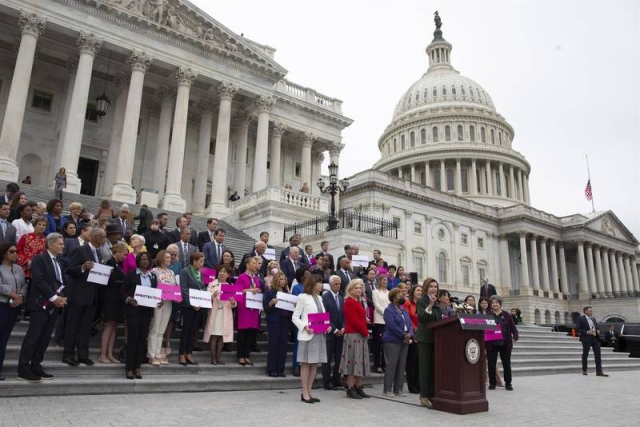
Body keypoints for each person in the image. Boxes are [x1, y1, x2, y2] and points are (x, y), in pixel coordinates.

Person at [17, 233, 67, 383]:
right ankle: (23, 370)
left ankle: (36, 365)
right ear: (50, 244)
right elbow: (39, 280)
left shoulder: (58, 262)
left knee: (45, 338)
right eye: (60, 243)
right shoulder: (40, 259)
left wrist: (61, 297)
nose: (63, 246)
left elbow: (59, 283)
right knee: (33, 338)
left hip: (54, 306)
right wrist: (53, 297)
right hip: (40, 304)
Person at [63, 227, 107, 366]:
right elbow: (70, 269)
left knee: (85, 327)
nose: (104, 239)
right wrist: (82, 267)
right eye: (102, 236)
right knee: (73, 325)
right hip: (78, 294)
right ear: (94, 236)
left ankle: (83, 355)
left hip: (92, 296)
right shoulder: (80, 250)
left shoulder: (98, 254)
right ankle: (68, 355)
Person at [121, 252, 159, 379]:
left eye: (147, 259)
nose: (145, 261)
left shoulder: (153, 276)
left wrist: (159, 301)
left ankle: (138, 367)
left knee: (142, 340)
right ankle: (129, 368)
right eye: (143, 259)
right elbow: (122, 290)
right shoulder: (132, 274)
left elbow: (155, 293)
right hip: (133, 311)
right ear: (138, 261)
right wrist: (128, 299)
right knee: (132, 339)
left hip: (146, 312)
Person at [292, 274, 328, 403]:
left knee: (314, 363)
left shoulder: (320, 298)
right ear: (313, 283)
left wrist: (327, 326)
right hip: (307, 334)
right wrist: (304, 326)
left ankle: (310, 390)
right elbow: (295, 317)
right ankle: (304, 392)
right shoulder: (303, 297)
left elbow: (322, 316)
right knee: (306, 363)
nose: (322, 285)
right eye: (320, 282)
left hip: (319, 334)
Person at [0, 243, 28, 380]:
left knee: (4, 338)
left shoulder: (18, 268)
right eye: (12, 251)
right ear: (4, 253)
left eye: (16, 251)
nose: (15, 253)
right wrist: (12, 294)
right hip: (2, 305)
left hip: (14, 306)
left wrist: (21, 296)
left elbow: (23, 285)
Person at [340, 279, 371, 399]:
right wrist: (365, 331)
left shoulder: (358, 301)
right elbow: (353, 320)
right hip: (353, 335)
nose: (359, 290)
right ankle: (350, 387)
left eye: (360, 288)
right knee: (352, 362)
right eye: (356, 288)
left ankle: (359, 387)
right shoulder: (349, 301)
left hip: (360, 335)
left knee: (360, 362)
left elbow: (359, 318)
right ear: (350, 290)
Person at [97, 242, 126, 364]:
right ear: (118, 252)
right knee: (109, 326)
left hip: (117, 299)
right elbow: (108, 281)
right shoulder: (109, 263)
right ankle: (103, 354)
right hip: (110, 299)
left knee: (114, 327)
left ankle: (109, 353)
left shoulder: (118, 264)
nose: (124, 256)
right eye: (123, 254)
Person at [147, 250, 177, 366]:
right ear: (161, 258)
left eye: (170, 257)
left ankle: (158, 353)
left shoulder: (172, 272)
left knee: (161, 330)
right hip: (158, 302)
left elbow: (174, 287)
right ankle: (151, 354)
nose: (170, 259)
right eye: (167, 257)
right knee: (154, 328)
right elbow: (152, 286)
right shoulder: (154, 271)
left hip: (168, 302)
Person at [382, 288, 413, 397]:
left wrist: (410, 333)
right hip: (392, 340)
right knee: (391, 365)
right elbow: (391, 325)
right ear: (394, 297)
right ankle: (387, 389)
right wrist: (403, 334)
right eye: (400, 295)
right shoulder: (388, 310)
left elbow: (409, 324)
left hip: (404, 340)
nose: (403, 297)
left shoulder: (404, 310)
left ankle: (398, 389)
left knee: (401, 365)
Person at [203, 265, 237, 365]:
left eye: (224, 272)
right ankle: (213, 358)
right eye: (220, 271)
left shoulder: (230, 287)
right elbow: (206, 297)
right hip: (215, 312)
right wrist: (212, 295)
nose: (222, 273)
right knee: (214, 335)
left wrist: (232, 301)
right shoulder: (212, 284)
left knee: (222, 336)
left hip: (225, 313)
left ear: (228, 275)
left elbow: (235, 304)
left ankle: (218, 357)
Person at [416, 277, 441, 408]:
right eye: (431, 286)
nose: (433, 289)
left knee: (433, 368)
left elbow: (439, 319)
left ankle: (432, 394)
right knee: (424, 368)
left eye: (435, 287)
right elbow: (423, 317)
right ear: (426, 287)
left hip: (435, 338)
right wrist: (430, 305)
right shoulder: (422, 301)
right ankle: (424, 395)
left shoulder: (437, 302)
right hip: (424, 338)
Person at [178, 252, 207, 366]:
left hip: (199, 306)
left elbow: (203, 287)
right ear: (194, 261)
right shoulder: (185, 271)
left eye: (203, 261)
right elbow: (183, 289)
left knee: (193, 330)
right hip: (188, 306)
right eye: (200, 261)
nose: (202, 263)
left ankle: (189, 353)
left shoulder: (200, 273)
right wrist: (191, 303)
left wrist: (204, 297)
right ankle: (181, 354)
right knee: (186, 330)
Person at [486, 295, 519, 390]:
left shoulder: (507, 315)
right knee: (491, 364)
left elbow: (513, 327)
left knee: (506, 364)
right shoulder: (488, 315)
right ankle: (492, 383)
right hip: (492, 344)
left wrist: (515, 337)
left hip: (505, 343)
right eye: (492, 303)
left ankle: (508, 383)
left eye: (496, 302)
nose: (494, 304)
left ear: (500, 304)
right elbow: (485, 329)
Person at [263, 271, 292, 377]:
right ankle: (272, 369)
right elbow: (265, 307)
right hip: (274, 321)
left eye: (284, 279)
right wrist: (271, 303)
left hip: (285, 321)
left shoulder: (287, 294)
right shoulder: (270, 292)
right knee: (274, 345)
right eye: (281, 279)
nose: (283, 281)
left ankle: (280, 369)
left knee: (283, 346)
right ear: (276, 280)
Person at [236, 256, 262, 366]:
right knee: (243, 332)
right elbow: (237, 291)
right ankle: (240, 355)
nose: (256, 265)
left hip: (254, 308)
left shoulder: (256, 278)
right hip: (244, 307)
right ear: (247, 265)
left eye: (257, 263)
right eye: (254, 263)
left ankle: (247, 355)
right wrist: (249, 290)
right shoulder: (242, 277)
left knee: (251, 332)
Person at [322, 275, 344, 390]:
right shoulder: (325, 297)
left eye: (339, 284)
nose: (338, 286)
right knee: (328, 358)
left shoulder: (341, 298)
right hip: (330, 332)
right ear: (330, 284)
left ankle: (337, 379)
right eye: (336, 284)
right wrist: (335, 330)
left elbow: (344, 316)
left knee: (339, 357)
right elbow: (325, 315)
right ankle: (327, 381)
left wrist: (343, 328)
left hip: (341, 332)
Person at [576, 306, 608, 377]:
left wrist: (598, 330)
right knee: (585, 354)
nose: (592, 312)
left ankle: (599, 371)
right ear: (586, 311)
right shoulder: (580, 319)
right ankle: (584, 370)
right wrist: (587, 332)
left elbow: (596, 327)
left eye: (592, 311)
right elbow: (578, 329)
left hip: (595, 338)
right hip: (586, 338)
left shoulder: (593, 319)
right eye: (590, 311)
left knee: (598, 354)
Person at [16, 217, 48, 283]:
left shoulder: (46, 241)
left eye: (44, 225)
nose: (41, 226)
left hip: (37, 270)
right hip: (23, 267)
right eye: (39, 224)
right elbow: (18, 249)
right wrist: (27, 260)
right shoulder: (25, 236)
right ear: (35, 225)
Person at [403, 284, 422, 394]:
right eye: (418, 290)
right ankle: (412, 385)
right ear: (413, 292)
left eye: (421, 290)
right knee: (411, 361)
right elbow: (407, 318)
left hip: (421, 334)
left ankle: (419, 384)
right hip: (412, 334)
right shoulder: (408, 303)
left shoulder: (422, 304)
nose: (420, 292)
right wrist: (414, 330)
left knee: (419, 362)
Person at [372, 274, 390, 373]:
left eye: (386, 280)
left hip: (387, 321)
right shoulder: (375, 292)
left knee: (386, 344)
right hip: (379, 320)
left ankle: (384, 364)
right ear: (379, 281)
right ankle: (376, 365)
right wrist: (386, 314)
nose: (385, 281)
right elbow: (377, 306)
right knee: (378, 344)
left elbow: (390, 305)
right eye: (383, 280)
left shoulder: (389, 292)